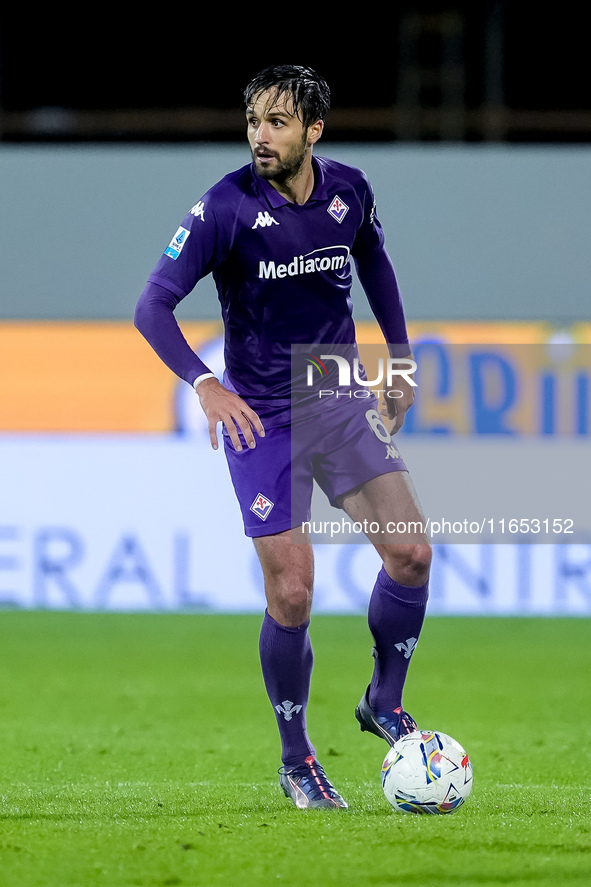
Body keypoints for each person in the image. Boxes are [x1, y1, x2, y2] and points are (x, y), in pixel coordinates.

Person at [134, 64, 431, 810]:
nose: (259, 136)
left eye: (276, 122)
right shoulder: (225, 209)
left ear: (312, 131)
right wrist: (206, 383)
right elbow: (152, 306)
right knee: (293, 592)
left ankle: (382, 703)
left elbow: (374, 262)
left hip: (334, 387)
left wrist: (397, 356)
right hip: (261, 412)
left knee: (411, 552)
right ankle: (296, 757)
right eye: (253, 121)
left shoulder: (348, 191)